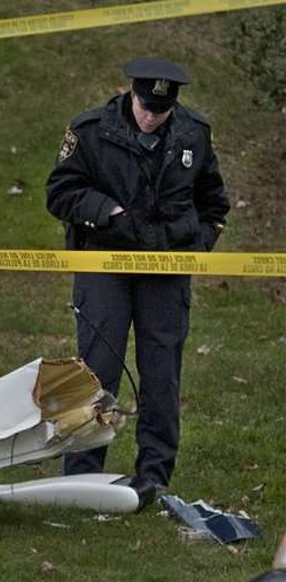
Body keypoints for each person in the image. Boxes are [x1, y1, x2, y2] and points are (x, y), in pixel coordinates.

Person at [46, 57, 230, 510]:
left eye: (160, 111)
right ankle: (83, 478)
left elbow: (214, 205)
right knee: (96, 373)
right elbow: (60, 192)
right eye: (146, 106)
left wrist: (196, 248)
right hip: (104, 263)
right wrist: (105, 210)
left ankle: (155, 475)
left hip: (165, 271)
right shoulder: (91, 131)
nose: (151, 116)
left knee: (161, 374)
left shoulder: (193, 135)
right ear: (132, 94)